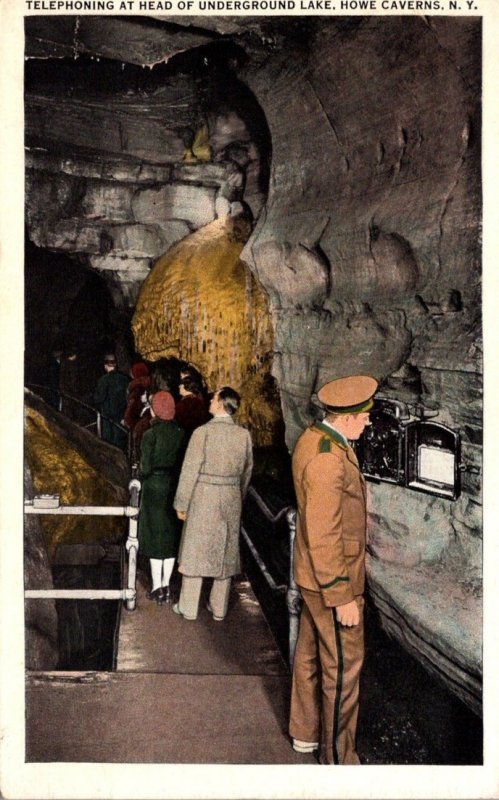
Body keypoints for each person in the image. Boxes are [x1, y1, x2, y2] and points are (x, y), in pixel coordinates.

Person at [288, 374, 378, 766]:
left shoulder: (315, 439)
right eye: (365, 417)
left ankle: (305, 734)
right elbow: (324, 532)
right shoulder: (328, 459)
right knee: (343, 666)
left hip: (311, 576)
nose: (369, 422)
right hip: (331, 581)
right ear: (347, 418)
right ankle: (339, 759)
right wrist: (342, 596)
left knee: (309, 657)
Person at [172, 386, 253, 621]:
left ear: (220, 404)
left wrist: (182, 503)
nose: (210, 399)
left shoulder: (202, 433)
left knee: (196, 549)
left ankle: (188, 607)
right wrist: (238, 496)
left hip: (204, 494)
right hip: (230, 496)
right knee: (225, 553)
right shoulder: (243, 435)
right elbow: (247, 472)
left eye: (214, 397)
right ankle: (219, 608)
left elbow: (189, 471)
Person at [138, 391, 187, 604]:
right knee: (169, 536)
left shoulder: (150, 435)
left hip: (153, 487)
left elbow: (145, 467)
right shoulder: (180, 433)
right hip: (173, 485)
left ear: (155, 410)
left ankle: (156, 587)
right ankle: (167, 585)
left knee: (154, 535)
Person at [93, 354, 130, 448]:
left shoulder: (103, 380)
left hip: (108, 420)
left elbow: (98, 398)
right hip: (121, 417)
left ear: (105, 366)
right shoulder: (125, 379)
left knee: (108, 446)